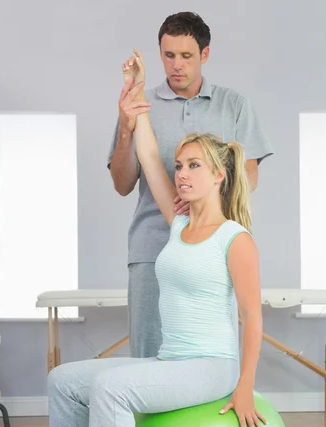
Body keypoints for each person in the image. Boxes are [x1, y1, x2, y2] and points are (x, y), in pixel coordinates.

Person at [25, 50, 265, 427]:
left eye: (194, 166)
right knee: (65, 379)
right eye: (182, 166)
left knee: (112, 389)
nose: (182, 174)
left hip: (212, 366)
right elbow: (150, 159)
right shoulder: (178, 224)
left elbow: (253, 318)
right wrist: (133, 98)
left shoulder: (235, 239)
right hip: (172, 360)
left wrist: (244, 388)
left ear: (220, 175)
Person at [108, 11, 273, 359]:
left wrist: (206, 206)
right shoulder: (141, 105)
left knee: (208, 345)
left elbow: (248, 176)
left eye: (186, 56)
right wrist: (128, 121)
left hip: (210, 248)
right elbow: (137, 171)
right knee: (148, 355)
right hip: (152, 248)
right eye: (168, 56)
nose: (176, 65)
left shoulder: (235, 105)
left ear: (205, 54)